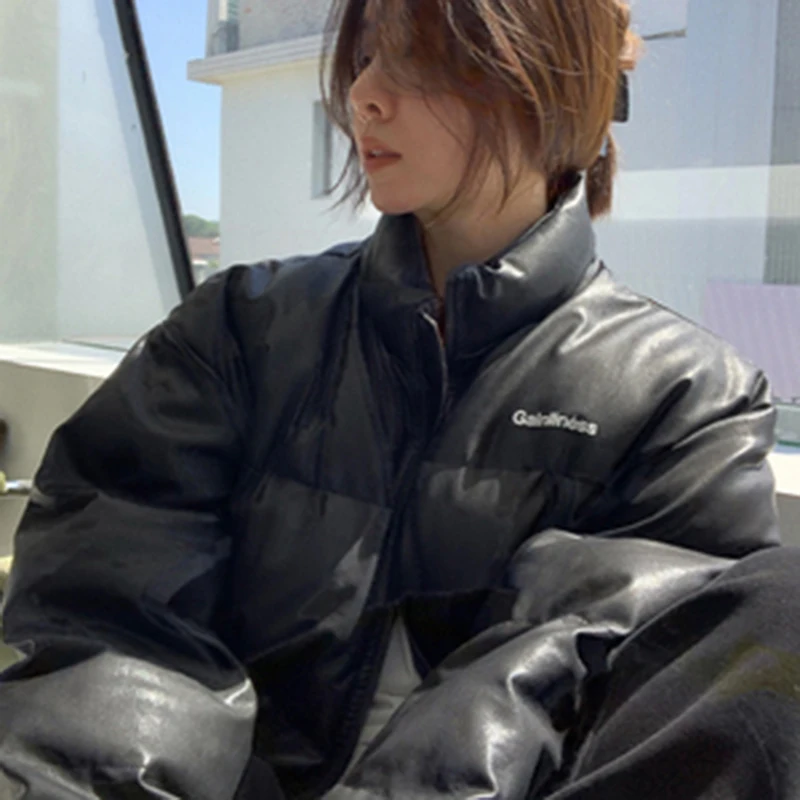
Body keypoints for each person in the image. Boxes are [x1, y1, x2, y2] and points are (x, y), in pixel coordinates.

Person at [1, 0, 798, 798]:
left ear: (549, 85)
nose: (363, 95)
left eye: (419, 59)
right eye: (366, 56)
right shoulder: (240, 330)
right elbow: (114, 616)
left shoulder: (683, 398)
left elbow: (592, 688)